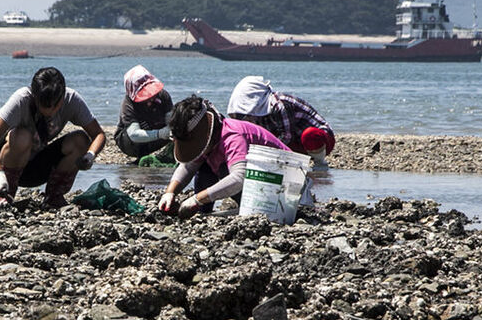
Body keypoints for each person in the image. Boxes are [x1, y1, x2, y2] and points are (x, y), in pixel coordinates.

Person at [0, 66, 105, 208]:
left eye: (54, 106)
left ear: (62, 97)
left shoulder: (72, 100)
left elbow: (98, 134)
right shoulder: (22, 99)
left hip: (30, 168)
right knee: (22, 136)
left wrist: (90, 155)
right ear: (35, 96)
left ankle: (53, 197)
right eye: (43, 105)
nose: (49, 111)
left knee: (80, 140)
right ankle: (5, 195)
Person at [158, 95, 290, 217]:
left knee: (223, 168)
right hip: (260, 185)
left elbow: (239, 177)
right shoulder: (209, 143)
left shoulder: (232, 136)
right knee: (203, 167)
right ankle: (204, 211)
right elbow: (188, 166)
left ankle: (245, 208)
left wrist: (197, 199)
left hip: (282, 184)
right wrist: (170, 193)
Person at [226, 75, 335, 164]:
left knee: (309, 135)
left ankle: (320, 162)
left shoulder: (280, 105)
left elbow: (286, 137)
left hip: (320, 141)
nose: (245, 119)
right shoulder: (259, 113)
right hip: (295, 144)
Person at [115, 65, 175, 165]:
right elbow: (134, 134)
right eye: (145, 97)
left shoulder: (164, 96)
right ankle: (141, 156)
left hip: (157, 132)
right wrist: (160, 133)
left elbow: (171, 120)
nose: (149, 101)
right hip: (130, 142)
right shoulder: (128, 104)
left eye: (152, 95)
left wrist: (171, 129)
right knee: (142, 127)